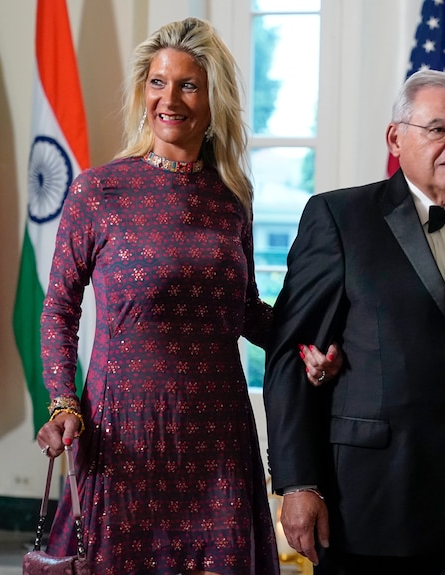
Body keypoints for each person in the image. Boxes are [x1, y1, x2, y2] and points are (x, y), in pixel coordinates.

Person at [34, 17, 340, 575]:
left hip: (218, 437)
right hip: (124, 434)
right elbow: (58, 309)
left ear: (213, 97)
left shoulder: (231, 199)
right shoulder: (97, 191)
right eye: (157, 82)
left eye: (187, 85)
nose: (168, 98)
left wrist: (306, 346)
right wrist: (63, 401)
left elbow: (244, 311)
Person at [263, 69, 445, 575]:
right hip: (370, 507)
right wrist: (298, 483)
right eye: (437, 129)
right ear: (396, 138)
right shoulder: (338, 218)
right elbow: (290, 356)